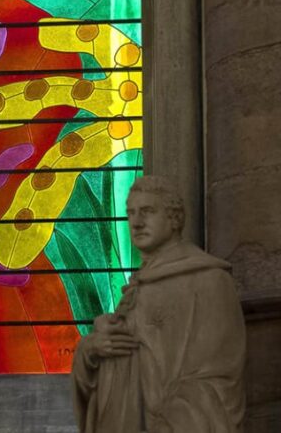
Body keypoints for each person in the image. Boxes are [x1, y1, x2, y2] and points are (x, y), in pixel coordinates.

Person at [72, 176, 245, 432]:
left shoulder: (209, 281)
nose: (137, 223)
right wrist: (90, 350)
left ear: (174, 219)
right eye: (130, 213)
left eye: (148, 211)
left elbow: (217, 382)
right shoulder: (137, 287)